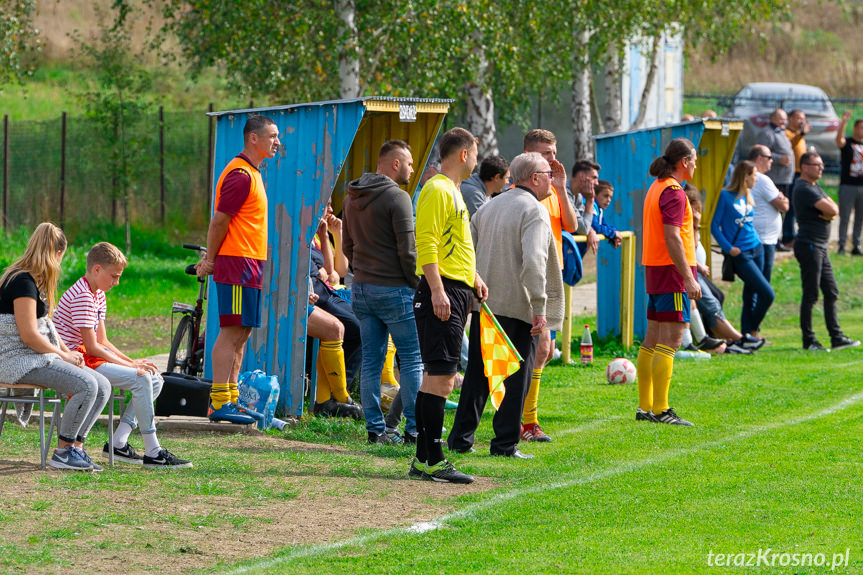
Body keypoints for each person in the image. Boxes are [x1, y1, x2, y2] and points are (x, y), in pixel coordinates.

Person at [448, 152, 564, 458]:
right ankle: (504, 444)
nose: (551, 178)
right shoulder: (534, 211)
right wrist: (540, 307)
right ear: (535, 178)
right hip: (518, 304)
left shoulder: (489, 207)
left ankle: (460, 439)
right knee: (517, 376)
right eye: (548, 173)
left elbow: (466, 252)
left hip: (485, 305)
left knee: (478, 375)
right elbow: (534, 264)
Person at [53, 242, 192, 468]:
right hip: (76, 360)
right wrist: (131, 368)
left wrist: (132, 362)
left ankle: (119, 442)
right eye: (114, 276)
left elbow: (103, 341)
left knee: (155, 379)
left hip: (90, 357)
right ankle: (153, 450)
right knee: (141, 378)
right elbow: (92, 347)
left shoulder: (97, 294)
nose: (116, 282)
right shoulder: (83, 296)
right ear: (97, 269)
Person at [410, 127, 487, 483]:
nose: (477, 158)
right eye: (475, 151)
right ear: (463, 153)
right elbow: (425, 242)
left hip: (456, 288)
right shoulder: (437, 189)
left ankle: (424, 459)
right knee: (442, 379)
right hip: (441, 293)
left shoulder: (452, 191)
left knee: (434, 378)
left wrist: (473, 277)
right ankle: (436, 459)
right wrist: (438, 290)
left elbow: (453, 244)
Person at [0, 223, 110, 470]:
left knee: (102, 385)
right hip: (16, 359)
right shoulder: (21, 282)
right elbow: (29, 335)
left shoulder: (35, 281)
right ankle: (63, 451)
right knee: (86, 384)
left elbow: (46, 325)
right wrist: (62, 354)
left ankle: (76, 448)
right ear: (57, 253)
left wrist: (67, 352)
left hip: (36, 356)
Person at [196, 115, 280, 424]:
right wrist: (210, 260)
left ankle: (232, 400)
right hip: (235, 262)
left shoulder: (255, 173)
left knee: (242, 333)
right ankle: (219, 401)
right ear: (253, 139)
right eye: (272, 136)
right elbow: (219, 221)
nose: (277, 142)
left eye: (277, 136)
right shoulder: (240, 175)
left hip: (250, 264)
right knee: (230, 332)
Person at [343, 140, 424, 444]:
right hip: (395, 290)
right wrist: (417, 285)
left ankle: (376, 430)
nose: (412, 169)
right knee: (413, 360)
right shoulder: (398, 198)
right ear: (395, 163)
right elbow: (408, 252)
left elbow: (347, 247)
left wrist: (364, 271)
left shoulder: (352, 196)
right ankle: (415, 430)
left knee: (372, 363)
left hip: (361, 289)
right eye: (410, 163)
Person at [518, 130, 584, 444]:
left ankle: (523, 417)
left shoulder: (552, 186)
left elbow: (573, 225)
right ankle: (525, 421)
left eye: (555, 152)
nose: (553, 159)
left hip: (552, 279)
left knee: (543, 352)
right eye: (546, 153)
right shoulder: (522, 189)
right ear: (529, 154)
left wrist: (561, 188)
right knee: (539, 348)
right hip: (531, 279)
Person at [637, 138, 701, 426]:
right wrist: (688, 276)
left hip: (655, 268)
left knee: (652, 339)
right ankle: (662, 410)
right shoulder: (675, 192)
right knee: (672, 340)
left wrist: (697, 264)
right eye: (695, 159)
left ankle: (645, 407)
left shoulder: (657, 186)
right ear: (684, 162)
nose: (696, 164)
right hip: (671, 273)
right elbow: (673, 236)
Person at [792, 152, 860, 352]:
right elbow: (832, 210)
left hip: (820, 246)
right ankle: (809, 340)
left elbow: (833, 208)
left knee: (831, 291)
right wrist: (828, 211)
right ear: (804, 166)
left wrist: (829, 211)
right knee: (811, 294)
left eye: (822, 165)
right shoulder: (803, 187)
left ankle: (836, 337)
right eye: (817, 165)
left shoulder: (815, 186)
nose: (821, 169)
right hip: (809, 245)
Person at [711, 161, 774, 348]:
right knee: (767, 294)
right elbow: (715, 226)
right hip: (741, 253)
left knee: (751, 294)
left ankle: (747, 334)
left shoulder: (748, 194)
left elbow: (748, 223)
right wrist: (728, 247)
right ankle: (749, 333)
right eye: (754, 175)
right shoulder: (725, 196)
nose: (756, 178)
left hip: (757, 247)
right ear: (745, 175)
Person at [748, 145, 789, 283]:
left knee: (754, 283)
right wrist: (784, 198)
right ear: (760, 159)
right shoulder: (763, 180)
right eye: (769, 157)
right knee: (762, 284)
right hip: (764, 239)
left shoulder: (748, 176)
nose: (772, 161)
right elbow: (783, 206)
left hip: (758, 236)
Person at [755, 108, 795, 249]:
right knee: (775, 208)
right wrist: (779, 159)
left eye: (785, 119)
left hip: (785, 178)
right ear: (772, 119)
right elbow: (761, 152)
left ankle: (778, 239)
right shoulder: (767, 133)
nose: (784, 121)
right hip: (775, 178)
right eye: (780, 119)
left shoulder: (781, 132)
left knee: (782, 212)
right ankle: (775, 240)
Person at [835, 110, 863, 255]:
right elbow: (838, 140)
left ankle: (856, 245)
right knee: (845, 217)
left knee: (860, 218)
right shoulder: (848, 143)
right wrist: (844, 122)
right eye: (861, 127)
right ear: (855, 128)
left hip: (862, 186)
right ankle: (841, 245)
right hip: (848, 185)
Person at [591, 180, 622, 249]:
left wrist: (615, 231)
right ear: (595, 194)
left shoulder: (599, 209)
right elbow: (595, 227)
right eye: (605, 196)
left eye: (610, 197)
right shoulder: (591, 206)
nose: (609, 200)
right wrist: (613, 234)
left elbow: (604, 225)